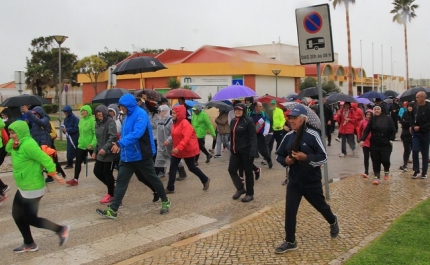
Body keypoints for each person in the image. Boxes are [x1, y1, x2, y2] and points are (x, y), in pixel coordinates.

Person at [275, 104, 339, 254]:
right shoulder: (288, 136)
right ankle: (290, 241)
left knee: (321, 207)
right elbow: (279, 155)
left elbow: (323, 157)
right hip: (294, 182)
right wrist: (286, 161)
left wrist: (306, 158)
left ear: (303, 119)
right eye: (290, 118)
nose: (291, 121)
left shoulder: (313, 135)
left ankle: (333, 220)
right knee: (290, 210)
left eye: (295, 118)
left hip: (311, 181)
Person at [96, 93, 171, 218]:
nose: (121, 109)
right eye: (120, 107)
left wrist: (120, 144)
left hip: (141, 155)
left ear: (129, 105)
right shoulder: (126, 116)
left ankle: (165, 200)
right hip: (127, 156)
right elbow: (125, 134)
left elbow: (137, 133)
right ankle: (113, 210)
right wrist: (117, 142)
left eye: (122, 106)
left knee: (152, 178)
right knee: (121, 181)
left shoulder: (141, 114)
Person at [6, 120, 70, 253]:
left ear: (21, 133)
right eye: (10, 133)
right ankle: (29, 243)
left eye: (13, 133)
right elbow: (7, 148)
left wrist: (54, 174)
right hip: (24, 185)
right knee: (17, 215)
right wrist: (14, 141)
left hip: (33, 187)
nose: (11, 136)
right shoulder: (18, 144)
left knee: (30, 218)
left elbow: (44, 158)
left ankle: (61, 229)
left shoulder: (28, 144)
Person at [165, 105, 211, 193]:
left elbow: (186, 138)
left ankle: (205, 179)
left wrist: (179, 148)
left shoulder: (185, 123)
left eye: (174, 113)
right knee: (172, 167)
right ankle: (170, 187)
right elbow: (174, 135)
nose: (172, 115)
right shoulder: (175, 123)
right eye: (172, 113)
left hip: (187, 149)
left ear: (179, 114)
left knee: (192, 167)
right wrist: (168, 141)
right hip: (177, 150)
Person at [228, 103, 257, 202]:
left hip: (246, 151)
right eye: (236, 110)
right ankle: (240, 188)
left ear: (244, 110)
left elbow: (253, 137)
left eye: (240, 110)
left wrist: (253, 151)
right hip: (236, 151)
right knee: (231, 170)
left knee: (248, 173)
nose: (238, 111)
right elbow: (232, 136)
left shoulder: (248, 121)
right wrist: (231, 147)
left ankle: (250, 194)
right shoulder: (233, 121)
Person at [359, 105, 396, 185]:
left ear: (381, 110)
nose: (376, 110)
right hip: (375, 143)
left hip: (386, 143)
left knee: (385, 160)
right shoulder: (372, 120)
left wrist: (391, 139)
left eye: (378, 109)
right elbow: (367, 130)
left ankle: (386, 171)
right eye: (375, 109)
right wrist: (362, 140)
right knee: (376, 160)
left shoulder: (388, 118)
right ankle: (376, 176)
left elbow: (393, 129)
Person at [92, 105, 120, 204]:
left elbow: (112, 137)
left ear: (105, 112)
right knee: (97, 171)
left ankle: (111, 194)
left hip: (109, 153)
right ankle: (112, 187)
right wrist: (95, 151)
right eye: (97, 112)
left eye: (101, 112)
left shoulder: (110, 122)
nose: (99, 114)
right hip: (101, 152)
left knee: (107, 173)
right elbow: (99, 139)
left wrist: (105, 148)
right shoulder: (97, 124)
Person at [65, 105, 96, 186]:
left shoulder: (92, 120)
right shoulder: (81, 121)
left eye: (85, 110)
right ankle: (75, 179)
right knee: (78, 162)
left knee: (99, 160)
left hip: (90, 145)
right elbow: (80, 133)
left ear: (88, 111)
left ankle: (105, 175)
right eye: (82, 111)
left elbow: (95, 134)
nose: (83, 112)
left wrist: (92, 144)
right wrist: (79, 142)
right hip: (81, 145)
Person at [154, 105, 187, 180]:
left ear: (165, 111)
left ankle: (182, 173)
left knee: (175, 160)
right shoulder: (160, 120)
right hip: (161, 145)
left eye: (160, 111)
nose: (159, 113)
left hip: (170, 145)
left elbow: (175, 133)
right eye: (158, 111)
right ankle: (154, 176)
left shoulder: (171, 121)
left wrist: (168, 140)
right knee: (159, 159)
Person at [249, 102, 273, 172]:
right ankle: (250, 164)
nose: (262, 107)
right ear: (256, 107)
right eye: (260, 106)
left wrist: (265, 133)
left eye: (261, 106)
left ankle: (268, 159)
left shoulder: (264, 115)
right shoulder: (250, 114)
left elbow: (267, 124)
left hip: (260, 135)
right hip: (252, 135)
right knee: (252, 149)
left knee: (262, 150)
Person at [411, 91, 430, 179]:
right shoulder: (415, 107)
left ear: (423, 98)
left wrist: (421, 127)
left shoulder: (428, 107)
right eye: (416, 97)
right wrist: (412, 126)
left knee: (424, 152)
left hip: (425, 133)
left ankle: (424, 172)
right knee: (415, 150)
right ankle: (416, 170)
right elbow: (412, 118)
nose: (416, 99)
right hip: (415, 133)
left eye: (418, 97)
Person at [357, 109, 373, 178]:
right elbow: (360, 130)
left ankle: (375, 170)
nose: (368, 116)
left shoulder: (374, 122)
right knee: (366, 157)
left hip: (373, 142)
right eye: (367, 114)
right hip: (365, 142)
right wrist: (360, 139)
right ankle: (366, 171)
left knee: (374, 158)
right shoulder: (362, 122)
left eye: (370, 115)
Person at [399, 102, 414, 172]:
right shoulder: (405, 113)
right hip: (405, 134)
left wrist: (406, 122)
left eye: (411, 106)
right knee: (406, 149)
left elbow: (413, 123)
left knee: (414, 149)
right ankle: (405, 164)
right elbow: (401, 121)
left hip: (413, 135)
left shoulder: (415, 114)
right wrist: (407, 123)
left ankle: (415, 165)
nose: (409, 107)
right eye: (408, 106)